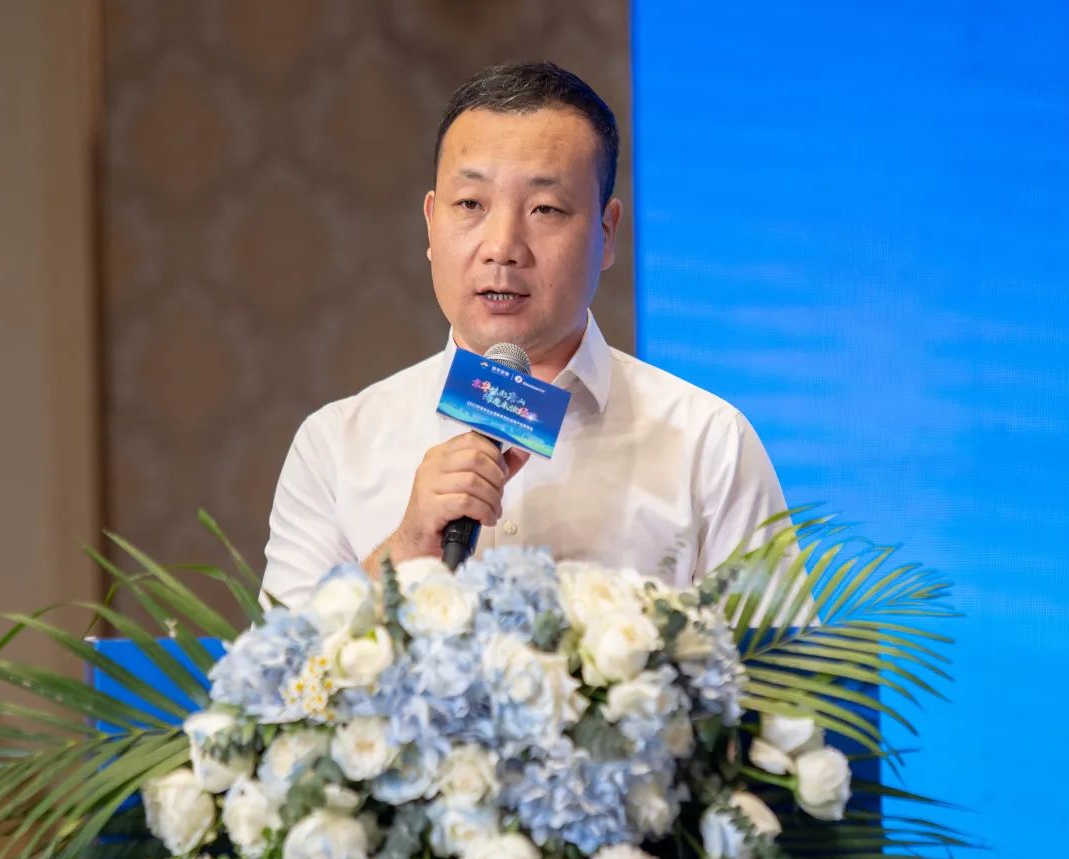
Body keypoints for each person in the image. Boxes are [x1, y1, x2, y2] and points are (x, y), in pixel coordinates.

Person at [263, 61, 788, 607]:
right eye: (471, 204)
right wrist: (409, 544)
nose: (503, 247)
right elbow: (279, 662)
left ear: (607, 233)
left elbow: (786, 663)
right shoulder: (335, 445)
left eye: (545, 209)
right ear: (431, 222)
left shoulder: (709, 444)